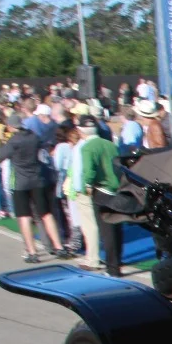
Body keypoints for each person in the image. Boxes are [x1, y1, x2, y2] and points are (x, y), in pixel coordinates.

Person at [1, 115, 71, 264]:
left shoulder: (13, 141)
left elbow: (0, 156)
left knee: (24, 217)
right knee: (46, 214)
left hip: (20, 182)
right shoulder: (33, 137)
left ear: (11, 126)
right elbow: (43, 146)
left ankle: (32, 252)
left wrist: (3, 143)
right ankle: (59, 247)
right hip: (37, 180)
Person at [67, 115, 123, 274]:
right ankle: (117, 261)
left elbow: (89, 171)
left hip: (101, 189)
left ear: (81, 131)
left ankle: (112, 268)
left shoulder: (87, 148)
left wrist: (86, 185)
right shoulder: (110, 144)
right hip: (116, 188)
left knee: (106, 230)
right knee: (116, 227)